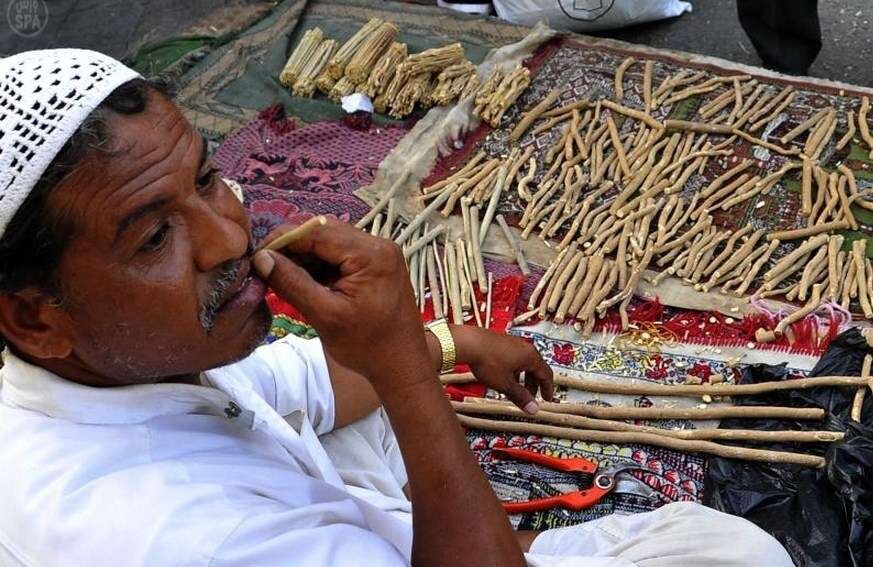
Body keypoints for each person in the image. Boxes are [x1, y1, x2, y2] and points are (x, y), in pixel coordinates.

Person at [0, 49, 794, 566]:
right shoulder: (176, 536)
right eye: (152, 239)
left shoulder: (108, 366)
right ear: (34, 316)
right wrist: (411, 383)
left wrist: (438, 343)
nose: (228, 236)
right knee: (735, 555)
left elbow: (296, 382)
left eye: (207, 180)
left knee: (358, 402)